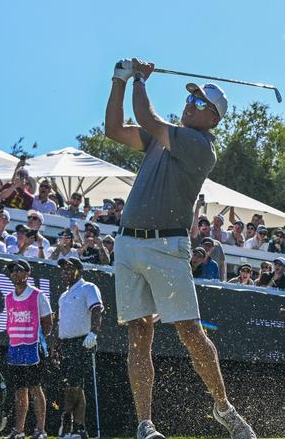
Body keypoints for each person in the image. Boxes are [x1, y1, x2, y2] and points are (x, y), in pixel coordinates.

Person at [105, 58, 255, 438]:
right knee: (139, 335)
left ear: (213, 120)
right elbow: (112, 129)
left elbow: (149, 117)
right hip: (127, 245)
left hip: (166, 246)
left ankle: (223, 407)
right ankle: (145, 424)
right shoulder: (163, 138)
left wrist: (139, 79)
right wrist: (119, 80)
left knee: (190, 333)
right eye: (192, 100)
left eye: (202, 104)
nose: (192, 105)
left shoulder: (200, 144)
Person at [53, 257, 103, 439]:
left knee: (73, 385)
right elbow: (61, 323)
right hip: (65, 343)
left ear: (79, 271)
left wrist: (93, 333)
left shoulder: (88, 287)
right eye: (63, 269)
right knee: (76, 386)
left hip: (82, 341)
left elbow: (97, 310)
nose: (65, 272)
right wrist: (56, 346)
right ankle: (80, 429)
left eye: (69, 268)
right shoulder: (63, 295)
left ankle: (67, 420)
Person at [2, 259, 53, 439]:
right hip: (15, 349)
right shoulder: (8, 297)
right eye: (12, 271)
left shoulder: (38, 295)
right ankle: (19, 430)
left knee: (35, 388)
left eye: (19, 270)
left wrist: (38, 340)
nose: (15, 273)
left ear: (27, 273)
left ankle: (40, 430)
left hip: (33, 349)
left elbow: (48, 324)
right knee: (19, 390)